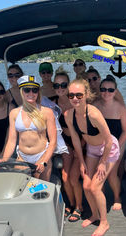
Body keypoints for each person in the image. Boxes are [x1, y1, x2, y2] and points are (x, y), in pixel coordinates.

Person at [64, 79, 120, 236]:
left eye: (79, 95)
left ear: (86, 94)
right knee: (87, 185)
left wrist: (103, 162)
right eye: (71, 95)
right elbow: (75, 140)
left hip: (108, 149)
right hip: (91, 150)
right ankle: (94, 214)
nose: (75, 99)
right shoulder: (69, 115)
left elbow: (109, 140)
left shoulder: (94, 113)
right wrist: (81, 162)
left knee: (95, 187)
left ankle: (104, 222)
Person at [0, 75, 57, 181]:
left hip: (42, 156)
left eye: (34, 90)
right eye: (27, 90)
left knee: (40, 191)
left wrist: (44, 161)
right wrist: (4, 159)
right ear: (21, 91)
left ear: (38, 92)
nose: (31, 94)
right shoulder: (14, 113)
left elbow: (53, 142)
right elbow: (11, 141)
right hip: (22, 158)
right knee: (21, 188)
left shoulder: (47, 112)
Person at [94, 75, 126, 210]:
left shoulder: (121, 109)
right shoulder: (95, 106)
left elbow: (125, 131)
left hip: (116, 144)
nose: (106, 92)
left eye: (110, 90)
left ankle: (116, 197)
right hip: (98, 143)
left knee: (111, 174)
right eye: (103, 89)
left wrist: (118, 147)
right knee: (97, 173)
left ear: (115, 92)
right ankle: (100, 196)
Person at [53, 67, 83, 222]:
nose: (60, 89)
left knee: (72, 178)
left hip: (82, 144)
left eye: (63, 85)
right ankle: (70, 205)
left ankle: (79, 207)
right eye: (57, 85)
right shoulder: (52, 104)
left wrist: (80, 150)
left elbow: (86, 131)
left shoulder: (76, 103)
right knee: (64, 177)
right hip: (66, 144)